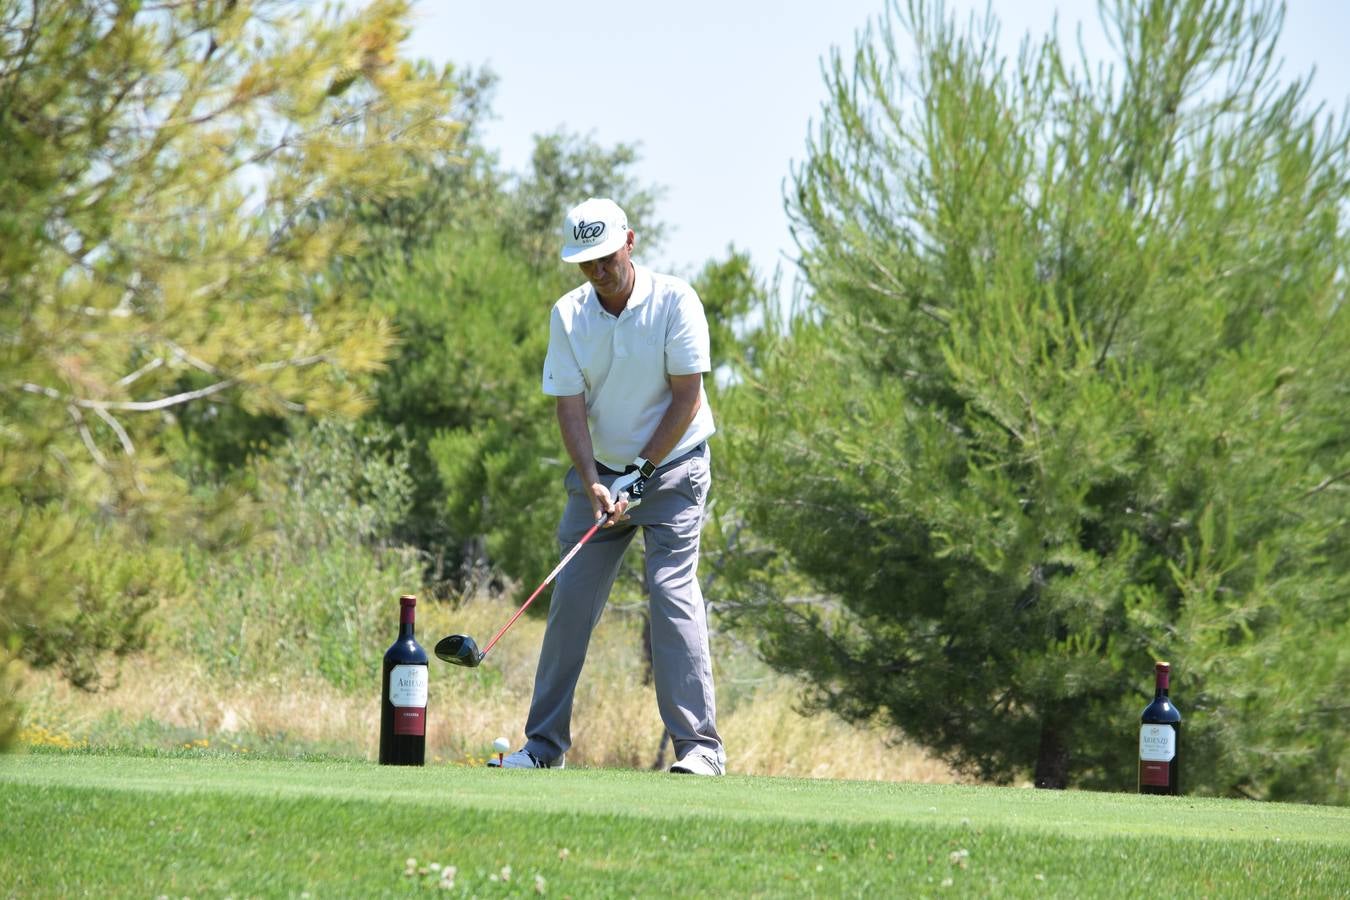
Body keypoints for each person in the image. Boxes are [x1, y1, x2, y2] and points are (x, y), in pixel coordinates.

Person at [493, 197, 725, 776]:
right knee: (571, 600)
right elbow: (569, 409)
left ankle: (699, 751)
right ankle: (543, 749)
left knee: (671, 595)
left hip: (672, 470)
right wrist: (596, 483)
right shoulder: (568, 315)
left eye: (604, 257)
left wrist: (640, 477)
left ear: (629, 242)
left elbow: (686, 397)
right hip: (600, 475)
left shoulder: (676, 300)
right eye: (585, 263)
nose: (597, 271)